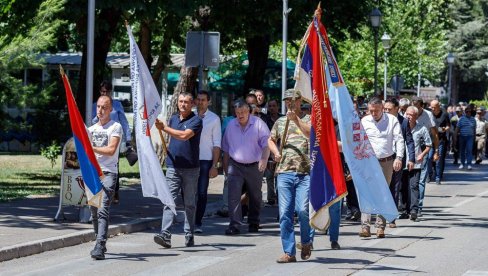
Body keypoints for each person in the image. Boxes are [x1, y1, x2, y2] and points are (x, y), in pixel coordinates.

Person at [268, 89, 312, 263]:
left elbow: (311, 134)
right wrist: (274, 153)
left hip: (305, 173)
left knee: (303, 210)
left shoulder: (308, 119)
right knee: (285, 213)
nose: (290, 103)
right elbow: (270, 140)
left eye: (293, 100)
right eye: (287, 101)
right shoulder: (280, 122)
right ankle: (289, 251)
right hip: (284, 172)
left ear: (300, 101)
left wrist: (296, 120)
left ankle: (306, 241)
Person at [153, 92, 202, 248]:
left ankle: (189, 233)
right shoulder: (174, 118)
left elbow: (183, 136)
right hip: (173, 166)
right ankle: (165, 234)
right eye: (180, 101)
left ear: (192, 104)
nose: (182, 104)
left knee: (189, 203)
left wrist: (165, 128)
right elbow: (171, 138)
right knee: (169, 201)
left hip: (191, 168)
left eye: (186, 102)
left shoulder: (196, 120)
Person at [222, 100, 270, 235]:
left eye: (243, 112)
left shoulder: (259, 124)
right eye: (237, 113)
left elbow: (267, 144)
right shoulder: (231, 125)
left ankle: (254, 221)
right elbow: (226, 149)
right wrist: (226, 169)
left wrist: (264, 159)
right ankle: (234, 225)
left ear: (248, 111)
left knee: (255, 195)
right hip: (235, 165)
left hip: (254, 165)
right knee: (233, 195)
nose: (240, 115)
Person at [360, 97, 404, 238]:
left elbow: (399, 139)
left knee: (383, 193)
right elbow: (359, 141)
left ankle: (380, 226)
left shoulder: (392, 120)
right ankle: (365, 226)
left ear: (382, 108)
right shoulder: (364, 121)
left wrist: (399, 158)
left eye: (377, 111)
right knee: (366, 192)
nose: (374, 114)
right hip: (369, 161)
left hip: (386, 161)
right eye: (371, 111)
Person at [88, 95, 122, 260]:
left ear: (110, 110)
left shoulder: (115, 127)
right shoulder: (91, 129)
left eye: (104, 107)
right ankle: (98, 239)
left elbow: (110, 150)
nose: (100, 110)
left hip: (108, 173)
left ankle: (100, 245)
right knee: (93, 211)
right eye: (98, 107)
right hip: (93, 173)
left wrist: (91, 148)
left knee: (103, 210)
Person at [92, 80, 131, 204]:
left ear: (110, 92)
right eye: (102, 91)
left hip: (115, 137)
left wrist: (128, 139)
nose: (104, 93)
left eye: (107, 91)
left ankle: (114, 190)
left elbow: (124, 122)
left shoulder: (117, 105)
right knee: (99, 161)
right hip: (100, 137)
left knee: (114, 164)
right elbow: (93, 121)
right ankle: (99, 188)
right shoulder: (96, 105)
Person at [383, 98, 415, 227]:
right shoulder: (381, 121)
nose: (386, 111)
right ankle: (381, 215)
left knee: (394, 188)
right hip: (382, 158)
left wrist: (411, 159)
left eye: (389, 109)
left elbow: (409, 141)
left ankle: (391, 217)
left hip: (397, 159)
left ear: (397, 109)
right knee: (382, 187)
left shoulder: (404, 122)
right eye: (385, 109)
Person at [194, 91, 221, 233]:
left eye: (203, 100)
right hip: (190, 160)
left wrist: (214, 165)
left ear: (208, 102)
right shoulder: (190, 116)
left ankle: (197, 222)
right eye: (198, 99)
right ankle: (190, 218)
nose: (200, 102)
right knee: (187, 192)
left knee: (202, 192)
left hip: (205, 160)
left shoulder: (214, 119)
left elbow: (217, 144)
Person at [411, 97, 439, 216]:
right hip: (410, 150)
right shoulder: (409, 113)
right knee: (411, 181)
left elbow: (434, 133)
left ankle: (418, 207)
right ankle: (409, 206)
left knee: (421, 180)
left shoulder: (428, 115)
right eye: (413, 105)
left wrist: (436, 150)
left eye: (417, 105)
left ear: (422, 105)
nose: (415, 108)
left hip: (423, 149)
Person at [403, 106, 432, 221]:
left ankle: (414, 210)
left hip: (415, 162)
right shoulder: (400, 127)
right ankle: (404, 209)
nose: (408, 116)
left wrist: (421, 155)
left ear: (416, 116)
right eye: (407, 114)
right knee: (402, 187)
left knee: (414, 186)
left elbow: (429, 145)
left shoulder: (422, 129)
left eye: (411, 115)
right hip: (402, 161)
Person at [264, 99, 283, 206]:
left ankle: (280, 198)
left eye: (274, 105)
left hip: (281, 150)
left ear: (278, 106)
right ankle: (271, 199)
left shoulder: (283, 118)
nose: (272, 108)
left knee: (279, 176)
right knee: (269, 176)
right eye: (270, 106)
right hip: (268, 150)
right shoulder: (265, 119)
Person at [429, 100, 451, 184]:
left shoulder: (444, 114)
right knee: (429, 158)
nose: (433, 109)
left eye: (434, 107)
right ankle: (429, 174)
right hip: (431, 139)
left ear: (439, 106)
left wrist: (445, 129)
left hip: (441, 139)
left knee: (439, 159)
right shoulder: (429, 114)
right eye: (431, 107)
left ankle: (438, 177)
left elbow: (448, 125)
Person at [454, 105, 476, 170]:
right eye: (467, 112)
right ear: (465, 112)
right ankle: (462, 163)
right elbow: (457, 129)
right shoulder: (461, 119)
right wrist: (455, 136)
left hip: (470, 137)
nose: (468, 113)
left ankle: (469, 164)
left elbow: (474, 129)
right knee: (462, 150)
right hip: (462, 137)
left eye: (469, 112)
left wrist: (474, 138)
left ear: (471, 112)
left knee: (469, 150)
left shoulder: (473, 119)